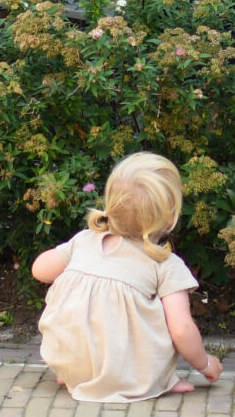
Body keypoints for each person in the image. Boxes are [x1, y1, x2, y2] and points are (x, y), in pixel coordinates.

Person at [31, 152, 224, 402]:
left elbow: (39, 271)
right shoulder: (164, 265)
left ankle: (79, 375)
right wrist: (205, 364)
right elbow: (182, 330)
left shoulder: (84, 241)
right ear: (170, 216)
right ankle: (160, 380)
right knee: (153, 320)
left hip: (68, 359)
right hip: (125, 371)